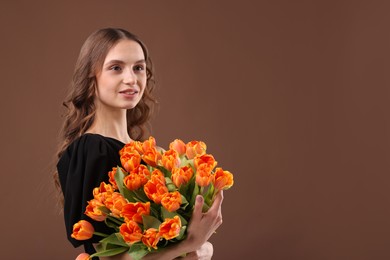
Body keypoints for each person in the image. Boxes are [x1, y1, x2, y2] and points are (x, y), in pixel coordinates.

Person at [54, 28, 223, 260]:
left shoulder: (151, 154)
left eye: (138, 68)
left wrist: (200, 249)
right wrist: (190, 245)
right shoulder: (93, 151)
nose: (131, 79)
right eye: (116, 68)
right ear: (91, 77)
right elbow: (107, 258)